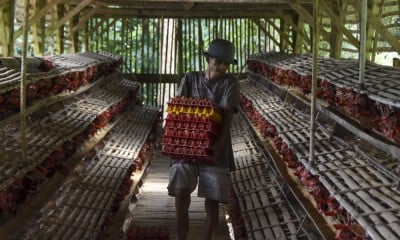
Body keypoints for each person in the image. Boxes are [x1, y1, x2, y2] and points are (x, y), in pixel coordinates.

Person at [167, 39, 240, 240]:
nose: (223, 66)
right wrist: (177, 141)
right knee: (181, 194)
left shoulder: (229, 83)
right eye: (218, 61)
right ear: (208, 59)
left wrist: (216, 148)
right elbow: (178, 111)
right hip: (187, 144)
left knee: (212, 201)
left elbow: (226, 121)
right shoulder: (190, 79)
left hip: (216, 145)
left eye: (226, 63)